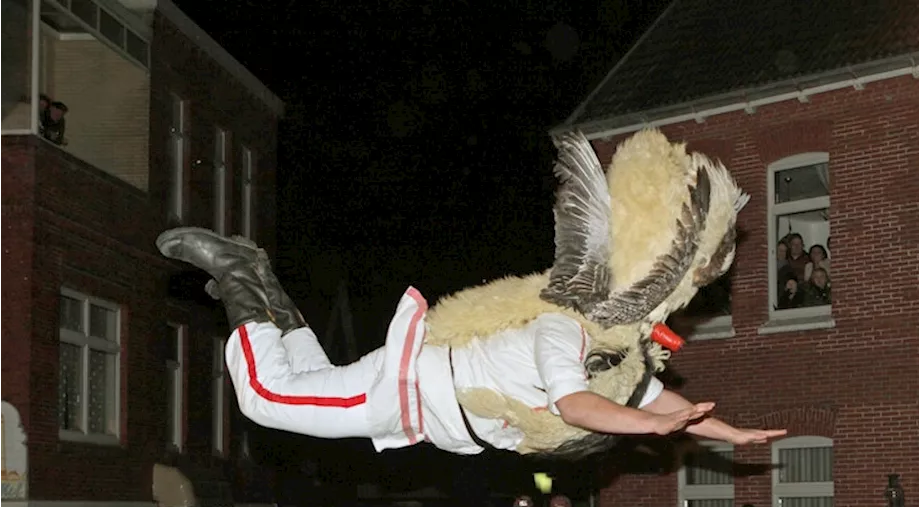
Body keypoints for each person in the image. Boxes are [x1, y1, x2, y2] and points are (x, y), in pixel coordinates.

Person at [156, 131, 784, 460]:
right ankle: (241, 279)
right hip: (409, 392)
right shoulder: (561, 330)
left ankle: (264, 286)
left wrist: (726, 432)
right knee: (267, 400)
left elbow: (652, 393)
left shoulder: (615, 357)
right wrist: (651, 425)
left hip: (420, 403)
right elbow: (575, 407)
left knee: (309, 378)